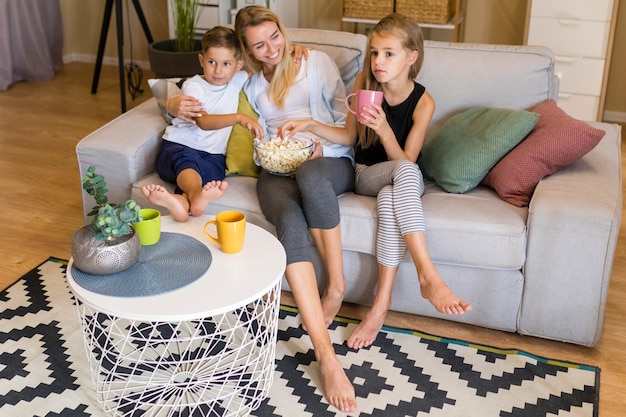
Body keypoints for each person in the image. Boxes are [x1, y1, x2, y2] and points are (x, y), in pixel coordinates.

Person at [278, 14, 472, 350]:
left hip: (399, 177)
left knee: (390, 199)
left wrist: (384, 129)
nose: (378, 62)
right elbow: (349, 136)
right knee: (404, 175)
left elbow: (406, 159)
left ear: (411, 57)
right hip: (366, 174)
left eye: (388, 54)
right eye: (374, 53)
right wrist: (309, 124)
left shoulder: (424, 102)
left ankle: (379, 306)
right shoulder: (364, 85)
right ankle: (428, 275)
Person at [234, 5, 358, 413]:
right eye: (259, 44)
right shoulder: (250, 84)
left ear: (282, 31)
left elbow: (348, 130)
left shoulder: (314, 62)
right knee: (287, 221)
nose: (271, 49)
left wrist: (312, 133)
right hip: (276, 166)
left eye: (275, 36)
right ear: (247, 50)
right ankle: (326, 355)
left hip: (327, 161)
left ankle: (336, 286)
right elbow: (209, 80)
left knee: (310, 176)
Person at [142, 26, 262, 222]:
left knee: (214, 172)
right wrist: (239, 117)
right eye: (212, 62)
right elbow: (203, 122)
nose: (218, 70)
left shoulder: (238, 78)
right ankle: (196, 194)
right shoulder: (195, 86)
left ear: (238, 65)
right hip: (180, 146)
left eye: (226, 63)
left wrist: (295, 49)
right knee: (188, 163)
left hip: (213, 154)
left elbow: (263, 63)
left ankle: (181, 201)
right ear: (201, 60)